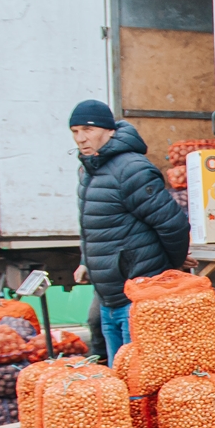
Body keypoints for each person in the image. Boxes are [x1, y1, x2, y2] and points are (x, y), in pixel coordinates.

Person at [69, 100, 189, 359]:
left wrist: (170, 267)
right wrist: (85, 261)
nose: (80, 138)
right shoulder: (88, 171)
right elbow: (93, 225)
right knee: (120, 379)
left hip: (137, 294)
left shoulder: (132, 169)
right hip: (109, 295)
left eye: (87, 130)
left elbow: (172, 224)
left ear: (109, 130)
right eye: (75, 131)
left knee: (137, 379)